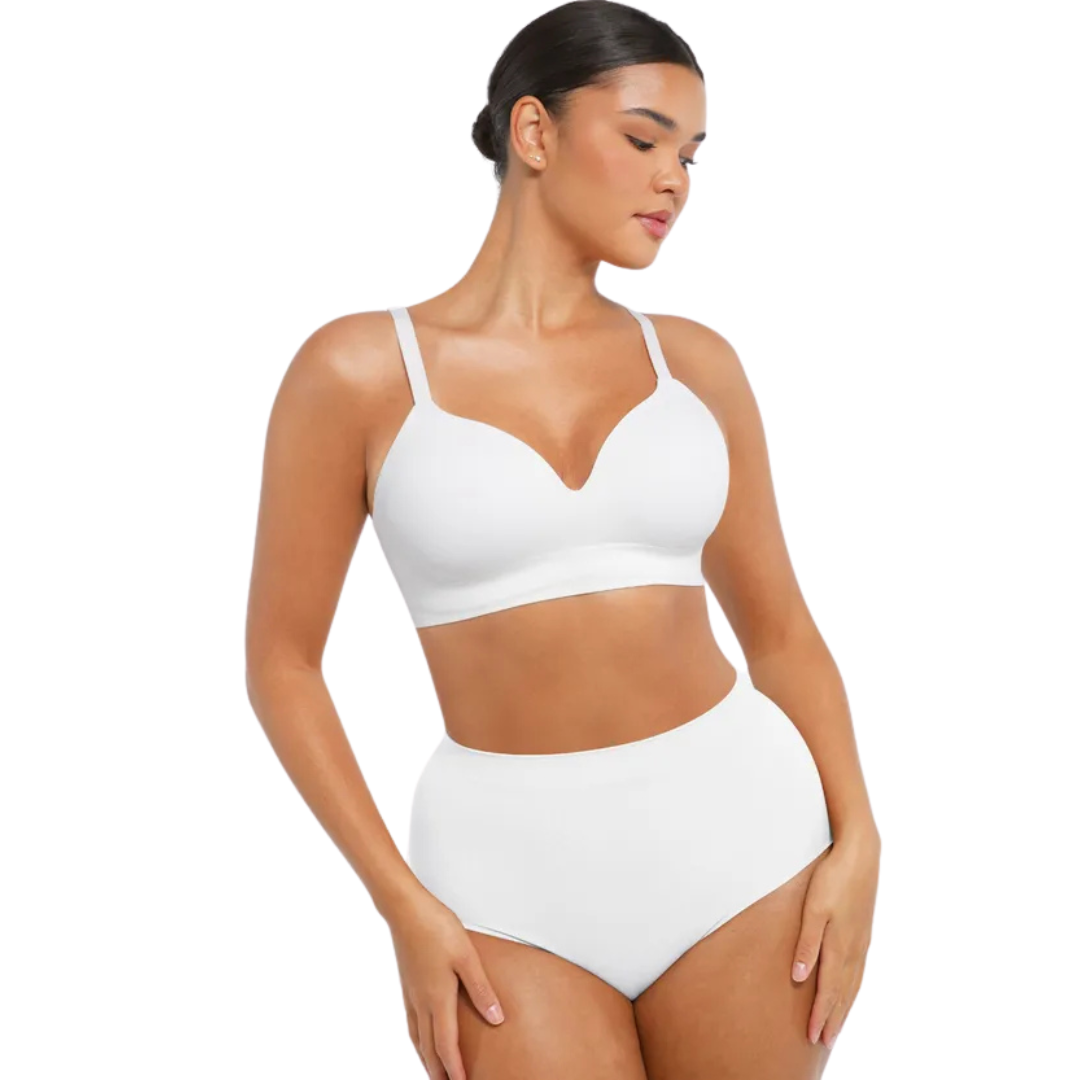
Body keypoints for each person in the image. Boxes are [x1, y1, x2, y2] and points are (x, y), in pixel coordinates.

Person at [245, 2, 881, 1077]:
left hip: (747, 849)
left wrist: (859, 835)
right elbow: (283, 663)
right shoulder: (356, 371)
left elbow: (780, 634)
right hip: (501, 882)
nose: (674, 181)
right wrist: (401, 902)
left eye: (691, 155)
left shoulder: (697, 367)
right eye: (643, 140)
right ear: (533, 132)